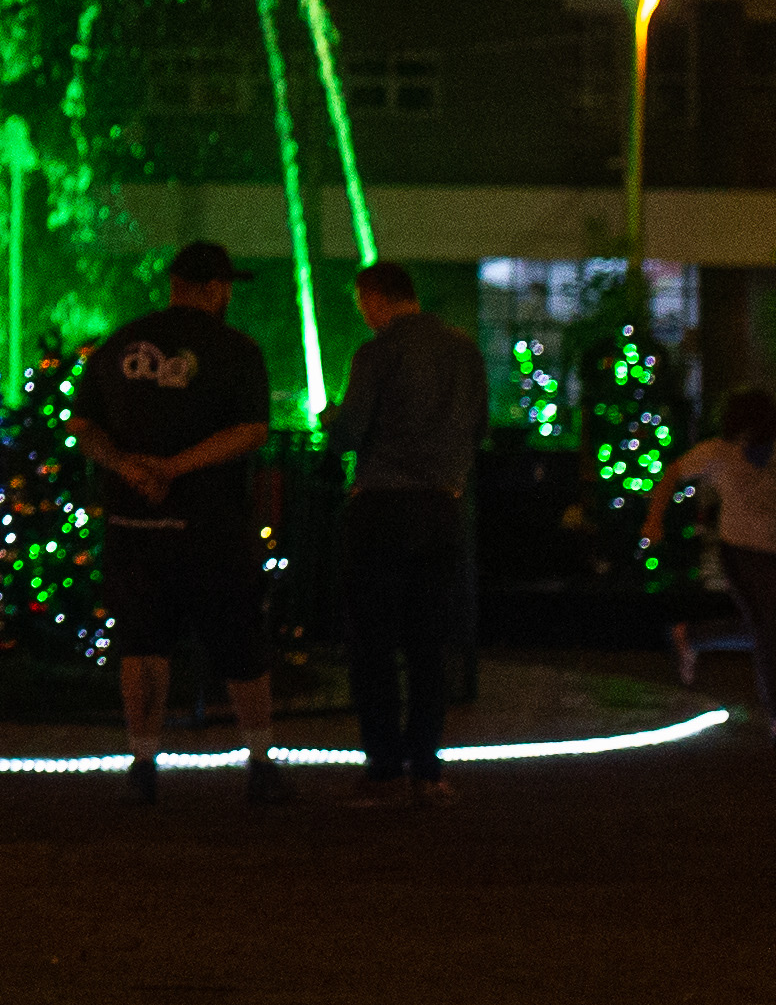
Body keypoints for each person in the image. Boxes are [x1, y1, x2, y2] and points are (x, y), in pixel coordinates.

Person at [76, 238, 284, 806]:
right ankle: (261, 760)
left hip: (132, 523)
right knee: (240, 642)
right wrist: (176, 466)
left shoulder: (120, 343)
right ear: (218, 289)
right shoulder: (235, 350)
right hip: (211, 526)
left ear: (173, 285)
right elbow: (250, 430)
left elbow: (86, 425)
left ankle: (143, 760)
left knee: (142, 644)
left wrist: (128, 467)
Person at [325, 260, 483, 806]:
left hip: (382, 508)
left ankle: (385, 767)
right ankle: (427, 765)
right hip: (442, 507)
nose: (364, 316)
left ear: (376, 297)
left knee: (372, 642)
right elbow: (478, 426)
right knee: (427, 644)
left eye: (362, 304)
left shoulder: (377, 352)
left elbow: (350, 431)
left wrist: (330, 421)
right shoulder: (464, 349)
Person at [659, 386, 776, 740]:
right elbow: (673, 473)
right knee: (772, 628)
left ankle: (691, 635)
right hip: (741, 551)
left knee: (767, 630)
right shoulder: (718, 452)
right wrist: (653, 520)